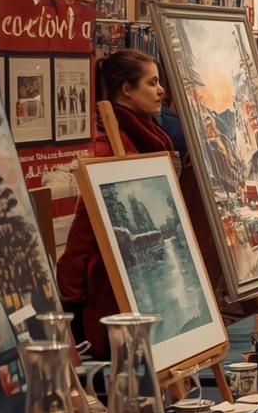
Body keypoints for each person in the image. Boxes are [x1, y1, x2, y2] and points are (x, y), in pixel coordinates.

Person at [58, 51, 176, 352]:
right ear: (127, 89)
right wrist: (70, 293)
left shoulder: (147, 137)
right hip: (112, 288)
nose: (161, 89)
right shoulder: (111, 146)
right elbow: (86, 225)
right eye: (152, 82)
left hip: (146, 283)